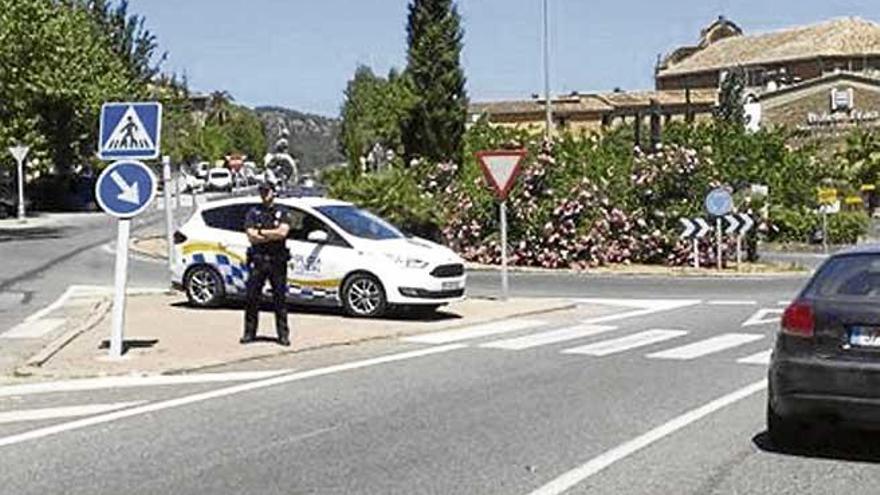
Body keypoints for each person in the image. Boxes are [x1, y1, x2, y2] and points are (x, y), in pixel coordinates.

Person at [242, 182, 292, 346]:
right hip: (258, 259)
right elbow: (251, 236)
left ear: (273, 192)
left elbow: (282, 233)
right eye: (261, 192)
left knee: (279, 299)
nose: (264, 194)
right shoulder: (254, 212)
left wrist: (262, 232)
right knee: (251, 298)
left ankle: (283, 335)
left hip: (277, 260)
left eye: (266, 191)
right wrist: (271, 234)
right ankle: (249, 333)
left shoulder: (282, 211)